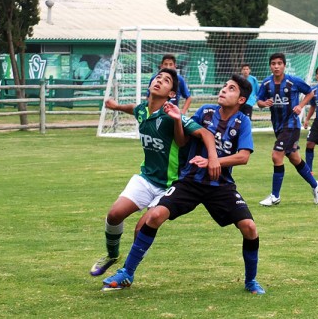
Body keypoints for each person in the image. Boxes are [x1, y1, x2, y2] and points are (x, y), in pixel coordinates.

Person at [102, 74, 265, 295]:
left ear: (241, 100)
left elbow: (244, 156)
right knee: (155, 215)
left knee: (250, 228)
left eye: (231, 88)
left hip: (221, 186)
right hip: (190, 181)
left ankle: (251, 281)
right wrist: (178, 120)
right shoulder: (206, 112)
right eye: (224, 86)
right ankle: (126, 273)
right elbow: (184, 140)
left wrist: (213, 160)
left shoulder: (243, 122)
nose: (224, 90)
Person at [89, 68, 220, 277]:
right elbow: (133, 108)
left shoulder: (172, 115)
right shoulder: (142, 110)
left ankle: (126, 273)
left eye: (166, 80)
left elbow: (204, 133)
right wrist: (116, 106)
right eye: (158, 77)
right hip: (146, 178)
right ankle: (112, 255)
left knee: (141, 229)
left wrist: (213, 158)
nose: (159, 80)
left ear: (171, 94)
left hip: (170, 184)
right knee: (114, 215)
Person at [256, 53, 318, 207]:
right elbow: (258, 101)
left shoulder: (293, 81)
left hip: (291, 125)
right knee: (294, 158)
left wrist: (300, 105)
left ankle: (275, 196)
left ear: (284, 65)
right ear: (270, 66)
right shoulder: (266, 83)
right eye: (273, 63)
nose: (276, 66)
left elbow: (311, 92)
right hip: (278, 126)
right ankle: (315, 185)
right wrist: (264, 103)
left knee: (276, 155)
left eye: (279, 63)